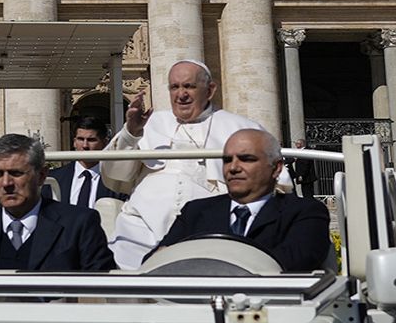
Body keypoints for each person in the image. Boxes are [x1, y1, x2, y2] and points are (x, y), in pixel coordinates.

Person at [96, 60, 264, 269]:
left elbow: (267, 186)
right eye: (175, 87)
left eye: (189, 86)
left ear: (210, 90)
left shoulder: (240, 127)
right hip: (140, 226)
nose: (181, 94)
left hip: (208, 230)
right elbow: (117, 174)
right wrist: (131, 134)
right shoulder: (152, 122)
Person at [153, 129, 331, 272]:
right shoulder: (195, 211)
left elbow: (294, 263)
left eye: (247, 159)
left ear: (276, 168)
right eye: (227, 160)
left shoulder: (304, 212)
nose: (233, 168)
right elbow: (154, 262)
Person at [0, 134, 114, 272]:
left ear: (42, 176)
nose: (6, 183)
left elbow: (102, 290)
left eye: (16, 173)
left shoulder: (79, 225)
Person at [51, 117, 126, 207]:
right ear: (74, 142)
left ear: (105, 143)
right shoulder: (54, 178)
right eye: (80, 139)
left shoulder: (118, 182)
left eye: (91, 140)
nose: (85, 145)